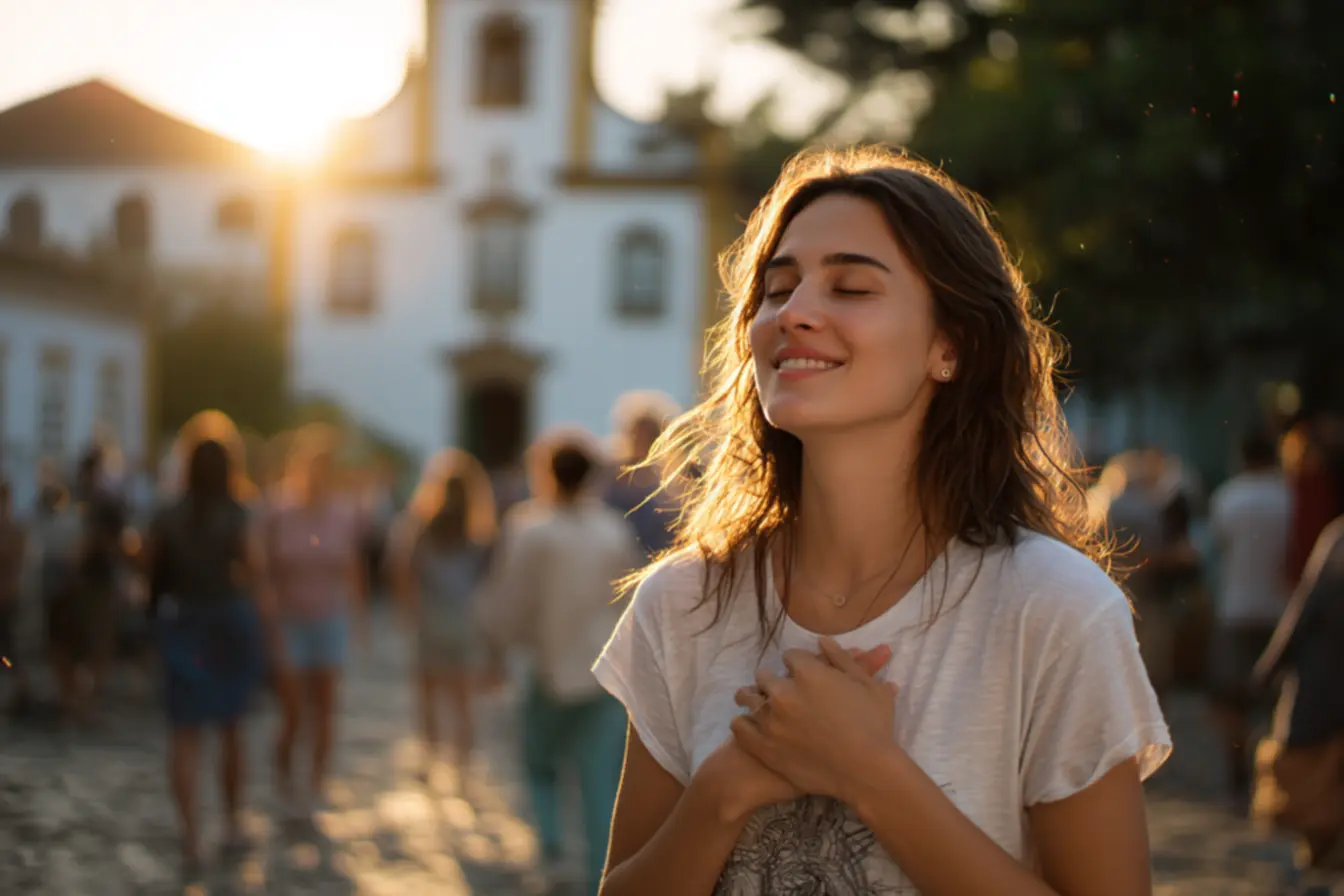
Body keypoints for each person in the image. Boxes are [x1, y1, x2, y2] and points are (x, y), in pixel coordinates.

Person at [593, 146, 1171, 895]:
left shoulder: (1054, 609)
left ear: (949, 346)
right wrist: (723, 790)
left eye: (852, 287)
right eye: (776, 289)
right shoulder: (683, 603)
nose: (794, 313)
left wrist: (870, 773)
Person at [484, 432, 643, 894]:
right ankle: (599, 867)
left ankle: (553, 852)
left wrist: (499, 646)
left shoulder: (530, 528)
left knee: (541, 767)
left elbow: (511, 601)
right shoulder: (611, 529)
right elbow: (629, 599)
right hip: (604, 672)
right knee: (600, 781)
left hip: (548, 666)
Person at [145, 437, 271, 870]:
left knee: (185, 732)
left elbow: (152, 573)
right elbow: (255, 571)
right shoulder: (237, 513)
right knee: (231, 725)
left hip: (184, 620)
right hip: (228, 620)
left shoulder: (168, 514)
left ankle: (190, 835)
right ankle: (233, 820)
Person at [266, 425, 367, 817]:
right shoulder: (279, 512)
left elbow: (353, 568)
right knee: (293, 709)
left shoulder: (342, 514)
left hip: (329, 616)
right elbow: (266, 570)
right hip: (291, 617)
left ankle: (317, 781)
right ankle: (285, 773)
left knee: (326, 706)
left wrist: (358, 620)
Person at [394, 448, 497, 776]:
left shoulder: (423, 527)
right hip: (465, 621)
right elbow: (488, 581)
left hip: (431, 618)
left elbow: (405, 572)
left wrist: (410, 610)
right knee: (462, 699)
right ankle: (462, 763)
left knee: (428, 695)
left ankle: (429, 755)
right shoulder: (479, 532)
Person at [1208, 430, 1292, 803]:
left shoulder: (1229, 497)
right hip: (1282, 609)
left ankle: (1238, 764)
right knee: (1280, 695)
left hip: (1236, 607)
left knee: (1230, 695)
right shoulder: (1289, 496)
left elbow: (1218, 548)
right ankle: (1273, 765)